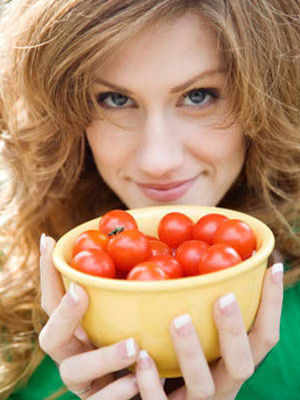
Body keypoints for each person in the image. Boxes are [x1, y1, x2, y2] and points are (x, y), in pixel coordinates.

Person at [0, 0, 300, 399]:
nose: (158, 161)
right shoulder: (10, 305)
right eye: (115, 99)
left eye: (199, 95)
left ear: (265, 97)